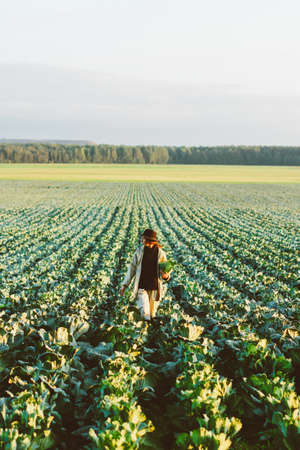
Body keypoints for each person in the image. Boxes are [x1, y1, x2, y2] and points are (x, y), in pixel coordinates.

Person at [119, 229, 171, 321]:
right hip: (141, 287)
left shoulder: (161, 253)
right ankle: (142, 330)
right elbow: (131, 269)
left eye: (143, 239)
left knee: (152, 314)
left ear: (149, 240)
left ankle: (149, 333)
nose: (142, 240)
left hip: (155, 288)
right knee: (145, 313)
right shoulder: (139, 252)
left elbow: (166, 271)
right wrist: (124, 285)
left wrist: (166, 276)